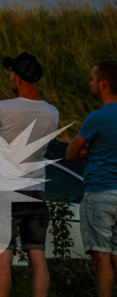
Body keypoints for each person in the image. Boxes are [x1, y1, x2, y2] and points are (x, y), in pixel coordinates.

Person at [0, 53, 58, 297]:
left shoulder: (4, 107)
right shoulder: (52, 113)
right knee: (39, 260)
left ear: (19, 79)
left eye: (12, 73)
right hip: (36, 192)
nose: (10, 78)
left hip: (7, 193)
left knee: (3, 261)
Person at [66, 59, 117, 297]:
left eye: (93, 79)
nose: (91, 83)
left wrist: (87, 152)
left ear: (104, 83)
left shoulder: (97, 118)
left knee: (101, 258)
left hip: (100, 193)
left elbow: (71, 152)